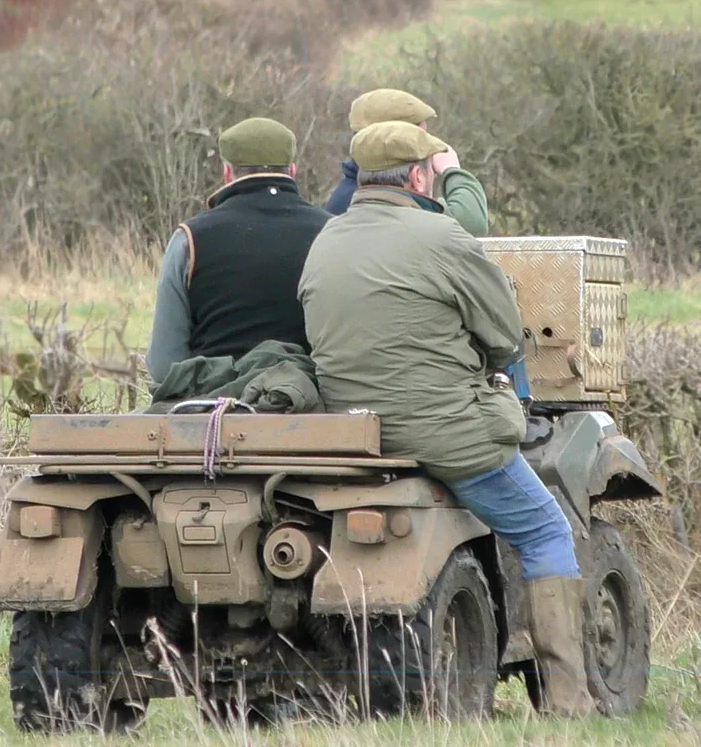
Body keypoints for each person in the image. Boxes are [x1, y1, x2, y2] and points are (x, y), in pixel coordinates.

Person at [298, 120, 595, 719]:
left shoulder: (325, 240)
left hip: (349, 435)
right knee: (545, 530)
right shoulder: (442, 235)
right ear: (416, 175)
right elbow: (502, 335)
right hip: (445, 432)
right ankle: (568, 702)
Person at [146, 117, 330, 387]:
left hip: (213, 411)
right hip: (306, 404)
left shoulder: (189, 239)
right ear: (293, 170)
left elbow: (164, 365)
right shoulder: (330, 232)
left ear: (227, 173)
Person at [324, 88, 489, 238]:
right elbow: (471, 223)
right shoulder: (380, 198)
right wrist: (451, 169)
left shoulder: (355, 192)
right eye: (420, 137)